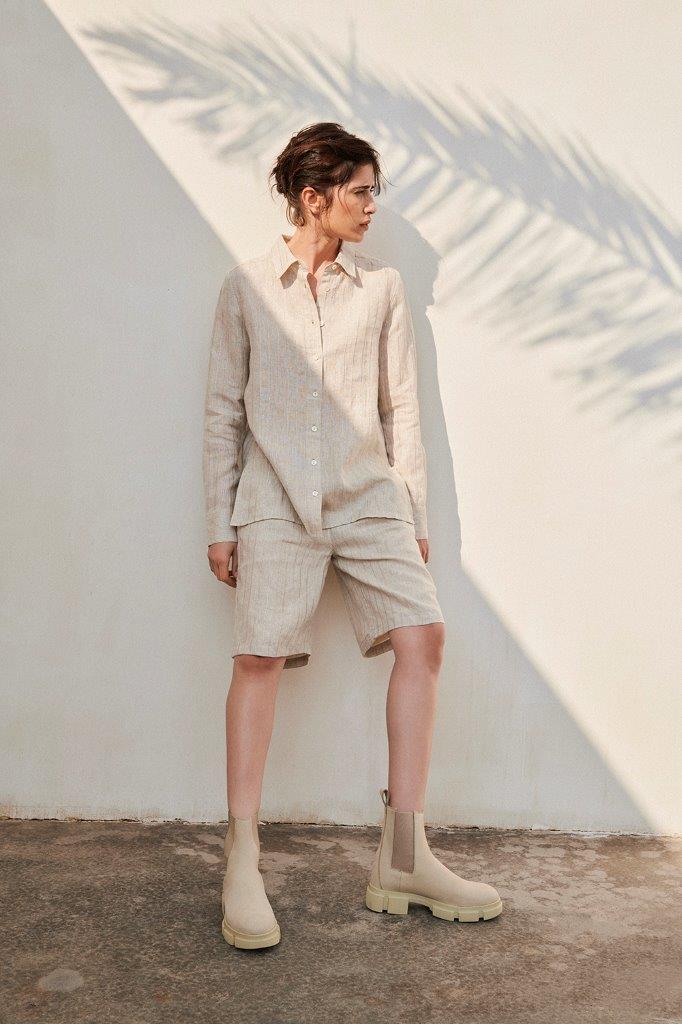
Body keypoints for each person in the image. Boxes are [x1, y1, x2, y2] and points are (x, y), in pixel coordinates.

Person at [203, 122, 502, 949]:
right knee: (259, 657)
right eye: (362, 191)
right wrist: (219, 522)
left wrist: (413, 518)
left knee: (423, 637)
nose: (373, 206)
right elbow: (223, 412)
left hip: (370, 498)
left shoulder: (383, 289)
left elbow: (401, 407)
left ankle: (403, 858)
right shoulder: (245, 288)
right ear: (314, 197)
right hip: (273, 499)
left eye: (375, 191)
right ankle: (241, 861)